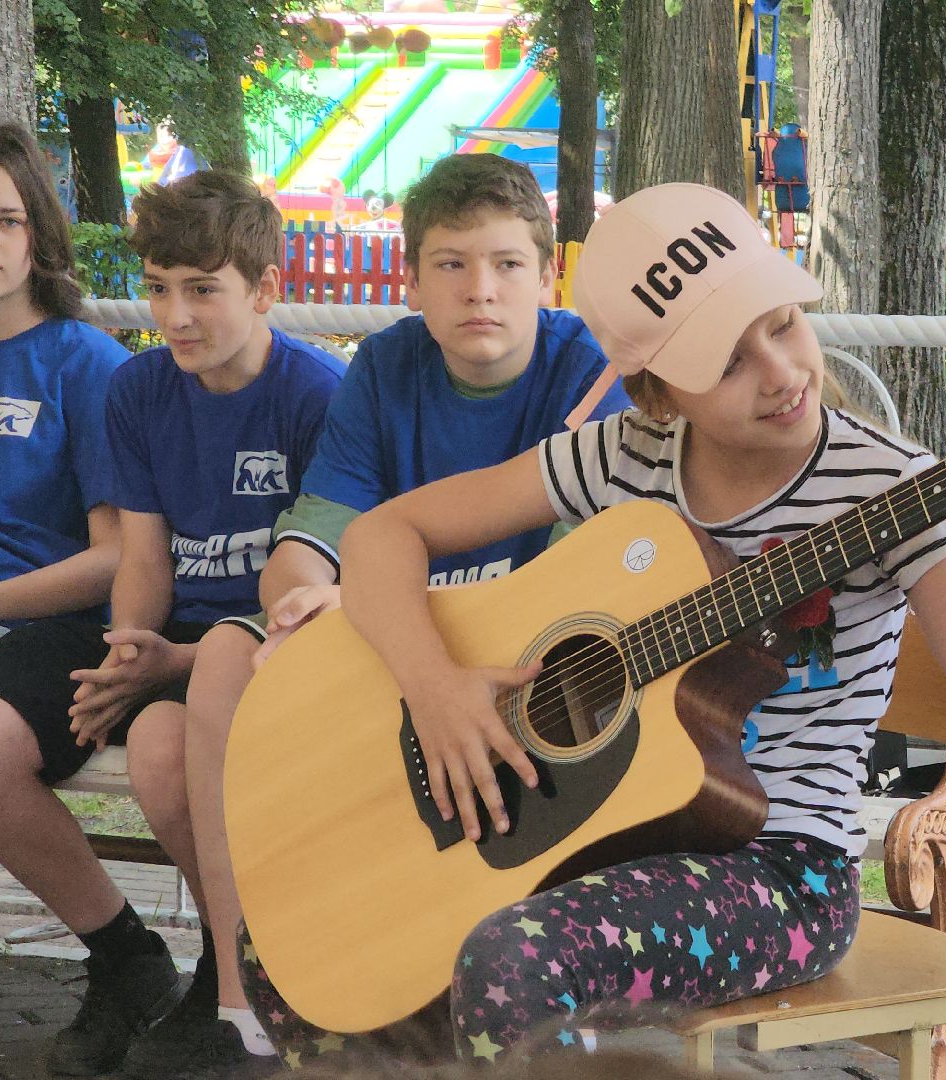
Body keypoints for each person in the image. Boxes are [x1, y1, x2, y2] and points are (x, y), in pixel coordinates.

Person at [239, 181, 946, 1066]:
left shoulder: (886, 485)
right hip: (599, 852)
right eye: (728, 363)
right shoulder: (618, 458)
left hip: (784, 874)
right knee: (294, 956)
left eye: (783, 324)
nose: (780, 372)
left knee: (515, 961)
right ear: (656, 394)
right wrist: (435, 688)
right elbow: (386, 535)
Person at [172, 152, 629, 1076]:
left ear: (549, 275)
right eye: (451, 265)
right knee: (229, 657)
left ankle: (477, 998)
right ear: (412, 279)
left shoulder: (588, 373)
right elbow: (309, 545)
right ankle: (249, 999)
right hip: (394, 646)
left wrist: (377, 599)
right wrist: (302, 600)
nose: (480, 291)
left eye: (506, 265)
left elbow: (572, 588)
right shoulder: (385, 365)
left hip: (521, 667)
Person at [0, 169, 343, 1076]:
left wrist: (168, 663)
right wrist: (128, 650)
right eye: (158, 286)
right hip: (158, 637)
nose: (175, 313)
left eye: (203, 288)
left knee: (163, 751)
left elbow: (308, 603)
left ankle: (240, 975)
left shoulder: (317, 396)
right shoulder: (140, 389)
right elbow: (145, 557)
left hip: (259, 652)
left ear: (266, 289)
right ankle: (129, 961)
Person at [0, 120, 126, 709]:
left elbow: (119, 557)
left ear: (38, 234)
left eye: (8, 220)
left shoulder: (88, 364)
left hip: (20, 634)